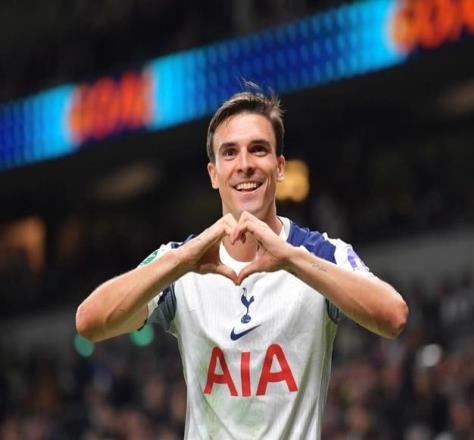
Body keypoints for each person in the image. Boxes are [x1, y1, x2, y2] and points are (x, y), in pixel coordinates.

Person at [76, 86, 409, 439]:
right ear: (213, 173)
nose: (245, 165)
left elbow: (394, 317)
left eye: (259, 149)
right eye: (230, 153)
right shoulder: (183, 262)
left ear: (279, 167)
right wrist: (181, 260)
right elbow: (89, 322)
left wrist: (292, 259)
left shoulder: (320, 253)